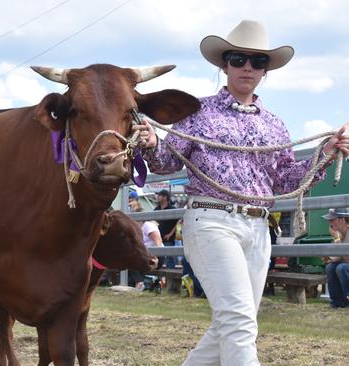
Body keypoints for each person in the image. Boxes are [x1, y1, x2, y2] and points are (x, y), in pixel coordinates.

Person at [134, 19, 349, 365]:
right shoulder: (196, 111)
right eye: (238, 59)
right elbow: (165, 162)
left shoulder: (274, 123)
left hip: (258, 228)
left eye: (258, 61)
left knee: (230, 324)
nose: (247, 66)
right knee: (239, 321)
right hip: (211, 220)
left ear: (266, 70)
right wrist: (148, 143)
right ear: (224, 64)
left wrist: (324, 154)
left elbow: (284, 182)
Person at [321, 207, 349, 308]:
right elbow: (341, 255)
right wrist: (331, 258)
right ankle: (337, 302)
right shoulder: (340, 234)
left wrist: (335, 257)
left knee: (341, 268)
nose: (330, 223)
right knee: (330, 267)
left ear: (341, 220)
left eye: (332, 220)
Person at [154, 190, 179, 268]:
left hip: (168, 239)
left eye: (159, 195)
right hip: (157, 239)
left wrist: (170, 234)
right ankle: (158, 279)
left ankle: (171, 278)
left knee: (169, 259)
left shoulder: (173, 209)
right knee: (158, 259)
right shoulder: (156, 209)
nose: (157, 197)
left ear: (165, 197)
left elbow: (178, 222)